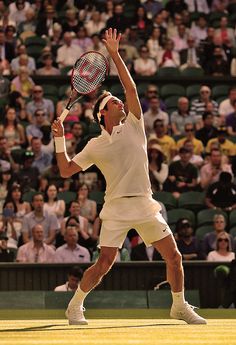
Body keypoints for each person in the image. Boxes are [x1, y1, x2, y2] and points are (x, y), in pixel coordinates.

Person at [52, 28, 206, 325]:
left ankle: (179, 305)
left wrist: (114, 54)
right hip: (117, 208)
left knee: (174, 257)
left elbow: (131, 89)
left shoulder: (135, 125)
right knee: (105, 263)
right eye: (113, 103)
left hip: (145, 205)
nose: (120, 103)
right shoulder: (95, 145)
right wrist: (59, 141)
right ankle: (74, 306)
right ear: (102, 115)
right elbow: (66, 169)